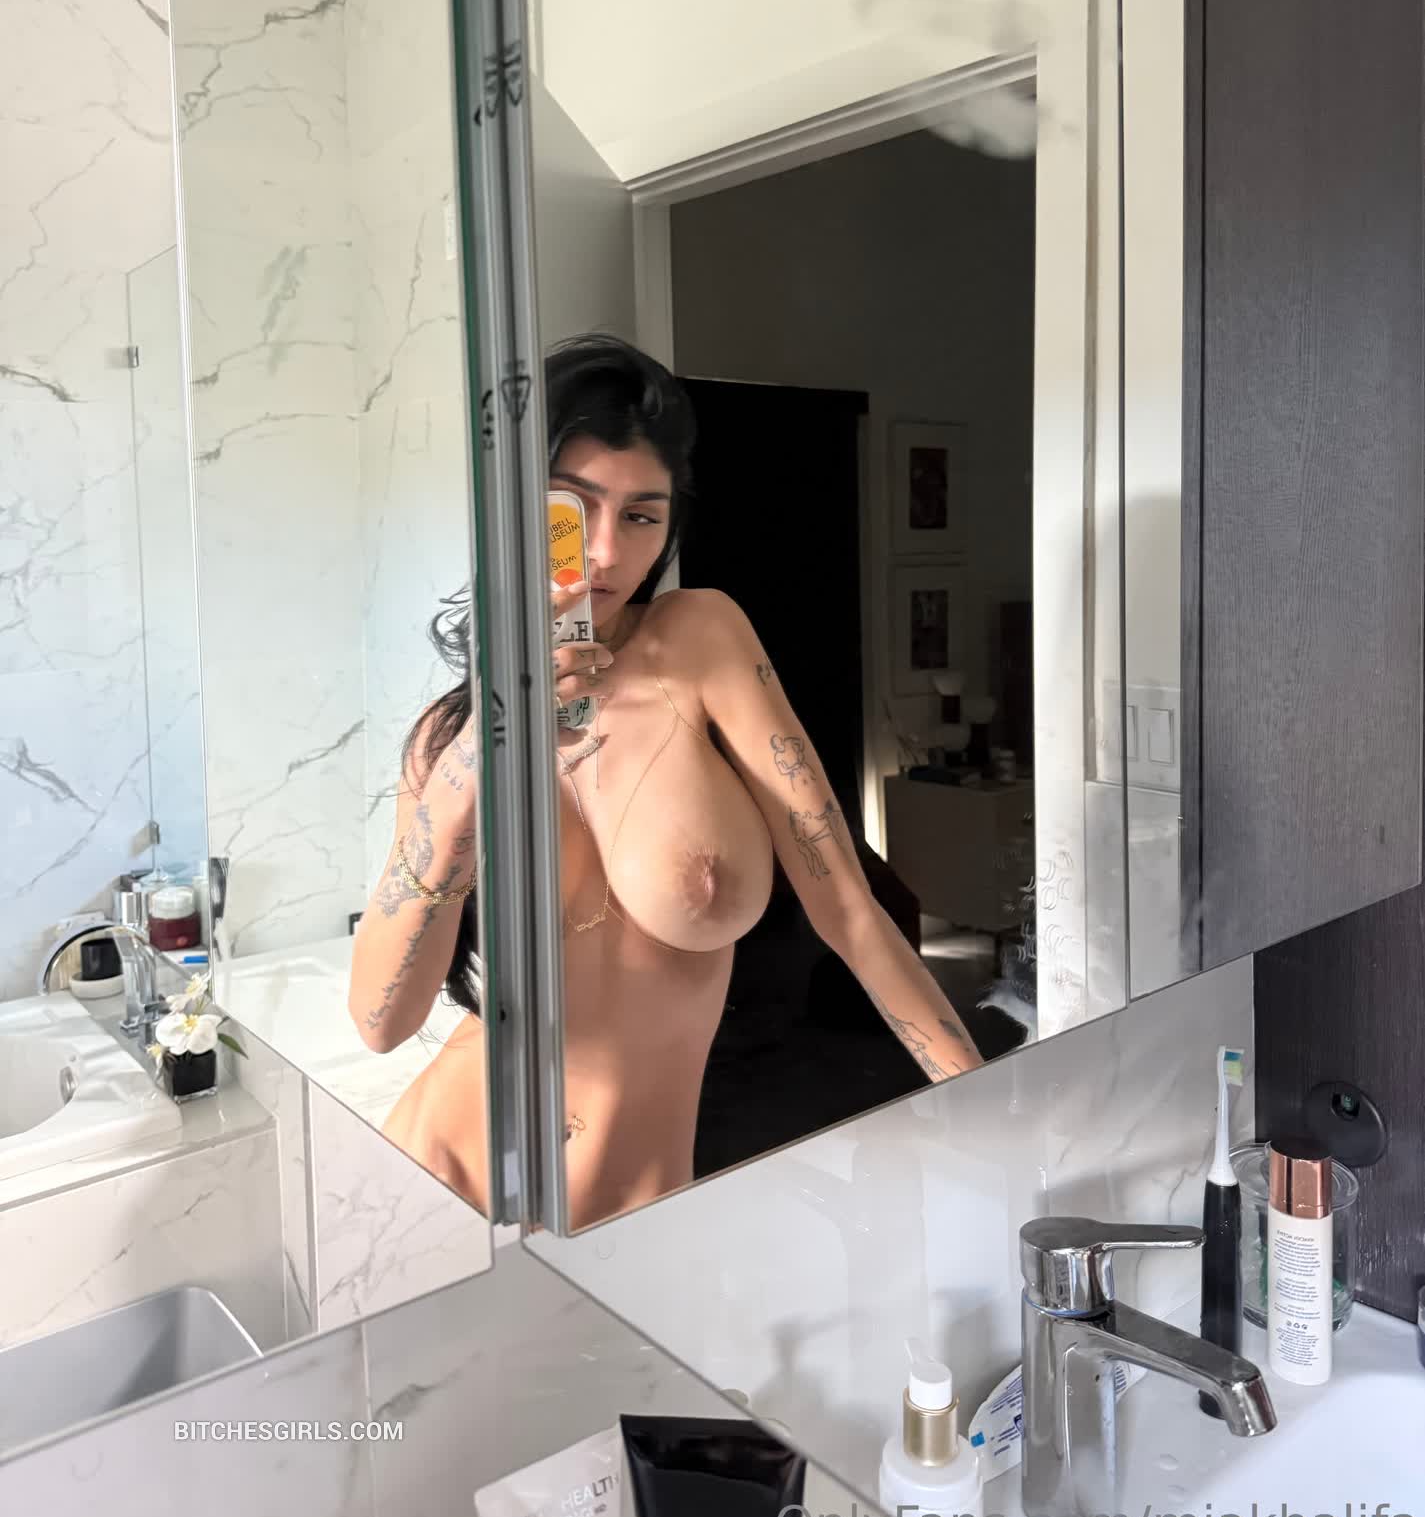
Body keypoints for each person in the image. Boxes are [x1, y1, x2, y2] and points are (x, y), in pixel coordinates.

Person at [350, 334, 982, 1226]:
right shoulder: (443, 742)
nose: (605, 551)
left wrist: (990, 1104)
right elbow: (380, 1025)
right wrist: (481, 755)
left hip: (646, 1203)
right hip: (444, 1183)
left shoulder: (698, 639)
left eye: (641, 517)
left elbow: (848, 909)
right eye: (572, 511)